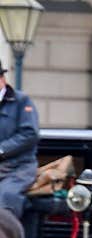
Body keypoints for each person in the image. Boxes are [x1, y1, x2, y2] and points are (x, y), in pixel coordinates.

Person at [0, 61, 39, 219]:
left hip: (18, 168)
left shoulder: (22, 101)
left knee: (6, 197)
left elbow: (29, 134)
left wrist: (1, 149)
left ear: (2, 79)